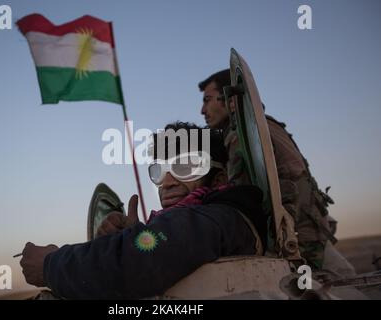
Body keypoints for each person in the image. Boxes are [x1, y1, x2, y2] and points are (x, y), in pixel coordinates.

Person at [19, 122, 267, 299]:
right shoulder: (207, 223)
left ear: (218, 179)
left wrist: (50, 265)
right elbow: (155, 251)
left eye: (186, 166)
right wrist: (136, 236)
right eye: (159, 170)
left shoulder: (222, 217)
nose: (167, 182)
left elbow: (136, 264)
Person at [198, 69, 344, 271]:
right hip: (309, 234)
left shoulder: (243, 134)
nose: (202, 110)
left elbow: (240, 199)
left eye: (207, 100)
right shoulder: (264, 124)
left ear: (230, 99)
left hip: (296, 245)